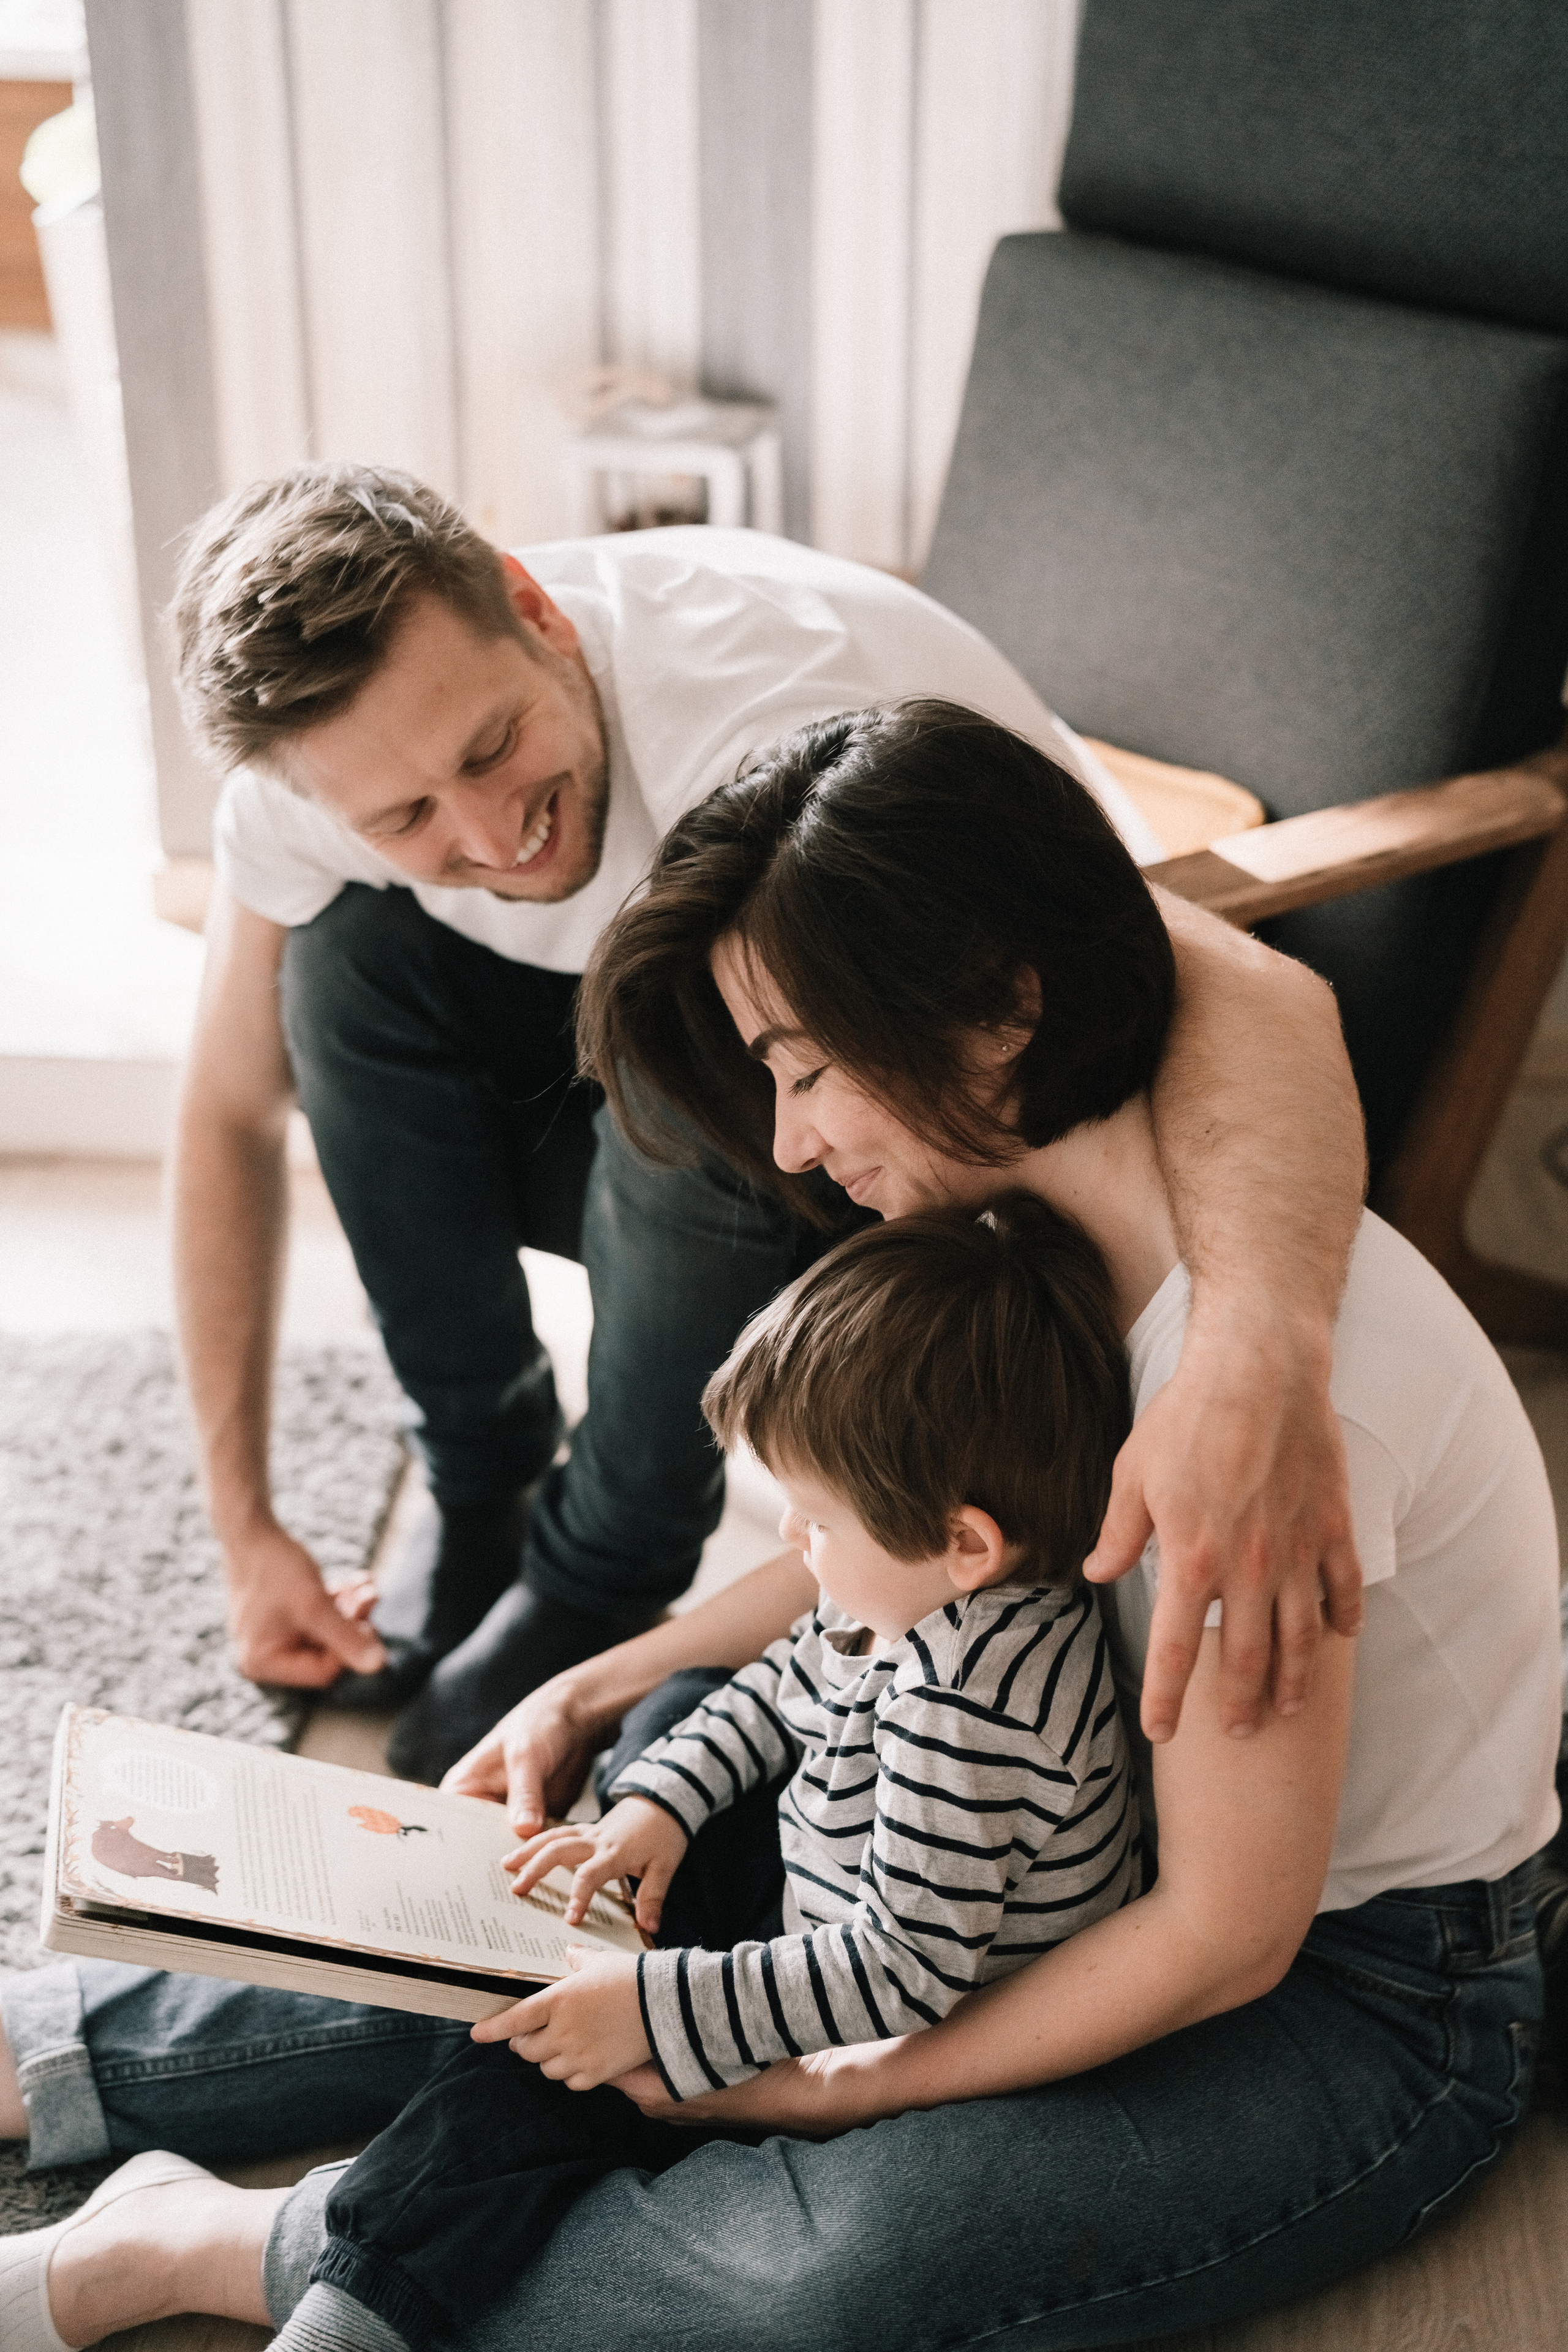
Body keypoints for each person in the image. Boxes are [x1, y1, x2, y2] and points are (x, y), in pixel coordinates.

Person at [0, 701, 1555, 2350]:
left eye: (808, 1070)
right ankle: (64, 2050)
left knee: (861, 2263)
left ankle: (231, 2245)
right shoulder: (1012, 1227)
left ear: (1001, 1008)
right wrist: (607, 1680)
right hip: (1040, 1828)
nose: (796, 1140)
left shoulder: (1283, 1416)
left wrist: (823, 2091)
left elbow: (1224, 1935)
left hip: (1366, 1981)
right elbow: (878, 1562)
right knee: (624, 1829)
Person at [168, 462, 1368, 1782]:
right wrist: (244, 1526)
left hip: (889, 1156)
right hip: (672, 1122)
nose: (489, 833)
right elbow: (227, 1110)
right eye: (405, 816)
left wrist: (1255, 1360)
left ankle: (601, 1565)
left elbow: (1254, 992)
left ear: (535, 609)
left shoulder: (765, 718)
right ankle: (477, 1476)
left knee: (683, 1061)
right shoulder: (311, 778)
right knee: (339, 963)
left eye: (492, 745)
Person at [218, 1194, 1139, 2352]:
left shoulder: (977, 1712)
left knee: (544, 2062)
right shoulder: (918, 1599)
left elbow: (903, 1970)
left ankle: (359, 2304)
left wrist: (656, 2010)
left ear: (966, 1542)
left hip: (896, 2011)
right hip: (826, 1898)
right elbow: (772, 1690)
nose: (796, 1548)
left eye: (814, 1521)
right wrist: (660, 1804)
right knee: (579, 1919)